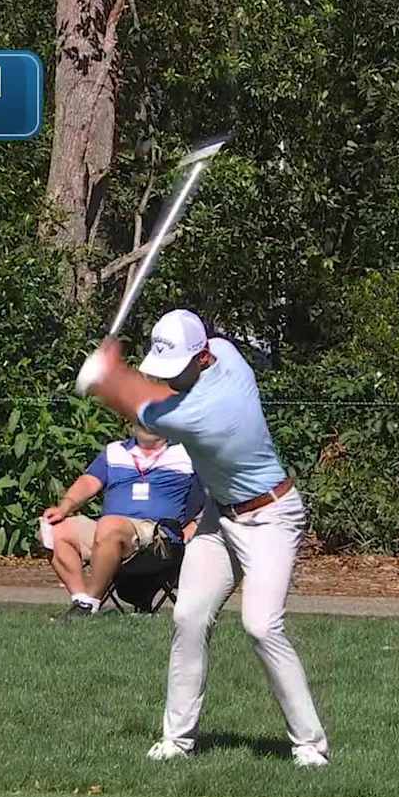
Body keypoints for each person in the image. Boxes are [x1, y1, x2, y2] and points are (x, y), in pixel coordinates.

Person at [73, 309, 331, 768]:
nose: (171, 378)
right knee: (189, 616)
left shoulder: (208, 409)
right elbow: (144, 391)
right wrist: (115, 371)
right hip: (219, 516)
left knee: (261, 624)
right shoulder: (228, 354)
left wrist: (105, 374)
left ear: (205, 357)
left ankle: (310, 745)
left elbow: (140, 403)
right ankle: (177, 739)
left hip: (272, 517)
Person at [42, 424, 202, 620]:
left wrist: (196, 524)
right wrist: (64, 507)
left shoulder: (188, 454)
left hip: (157, 536)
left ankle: (90, 604)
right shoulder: (114, 451)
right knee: (53, 528)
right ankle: (82, 601)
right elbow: (89, 481)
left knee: (110, 525)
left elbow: (215, 494)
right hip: (109, 532)